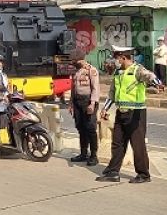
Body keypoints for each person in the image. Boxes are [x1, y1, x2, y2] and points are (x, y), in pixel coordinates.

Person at [96, 45, 159, 184]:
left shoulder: (137, 69)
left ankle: (143, 174)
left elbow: (149, 76)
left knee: (138, 145)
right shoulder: (118, 73)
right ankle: (112, 172)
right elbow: (112, 93)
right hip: (121, 112)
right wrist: (105, 108)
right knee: (117, 143)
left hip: (136, 113)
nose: (115, 61)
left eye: (117, 58)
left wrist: (157, 83)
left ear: (123, 57)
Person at [68, 48, 100, 166]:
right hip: (77, 102)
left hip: (88, 102)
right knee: (81, 128)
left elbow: (95, 88)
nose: (72, 62)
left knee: (90, 129)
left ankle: (94, 155)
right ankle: (83, 153)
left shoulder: (91, 70)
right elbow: (73, 88)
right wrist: (71, 103)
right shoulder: (76, 71)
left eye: (73, 60)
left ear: (78, 60)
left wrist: (92, 104)